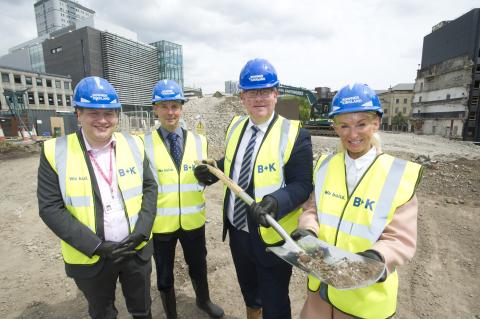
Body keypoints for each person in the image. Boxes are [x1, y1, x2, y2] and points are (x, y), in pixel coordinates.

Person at [292, 83, 424, 319]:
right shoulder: (325, 166)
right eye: (344, 125)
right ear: (335, 127)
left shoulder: (398, 176)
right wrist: (308, 231)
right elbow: (313, 210)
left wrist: (377, 257)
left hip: (363, 297)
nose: (352, 134)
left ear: (376, 123)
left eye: (361, 124)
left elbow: (400, 240)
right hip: (321, 289)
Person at [194, 58, 313, 319]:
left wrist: (274, 201)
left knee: (275, 300)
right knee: (249, 291)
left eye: (264, 92)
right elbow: (235, 164)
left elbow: (303, 184)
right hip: (238, 230)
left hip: (271, 234)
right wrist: (213, 171)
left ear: (276, 94)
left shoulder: (295, 133)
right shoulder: (236, 126)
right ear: (242, 97)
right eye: (252, 92)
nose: (258, 99)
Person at [37, 76, 157, 319]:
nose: (102, 120)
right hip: (91, 257)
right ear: (78, 114)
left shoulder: (134, 144)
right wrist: (97, 247)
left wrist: (141, 232)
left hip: (135, 249)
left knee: (142, 310)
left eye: (109, 113)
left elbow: (149, 188)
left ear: (117, 114)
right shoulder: (54, 151)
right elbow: (50, 207)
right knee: (102, 313)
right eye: (93, 112)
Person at [142, 79, 224, 319]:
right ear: (155, 108)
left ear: (182, 107)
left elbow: (203, 177)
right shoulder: (143, 145)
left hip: (193, 220)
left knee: (198, 265)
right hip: (161, 224)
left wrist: (209, 178)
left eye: (175, 106)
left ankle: (204, 301)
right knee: (165, 275)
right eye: (164, 106)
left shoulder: (200, 141)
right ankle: (171, 314)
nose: (170, 112)